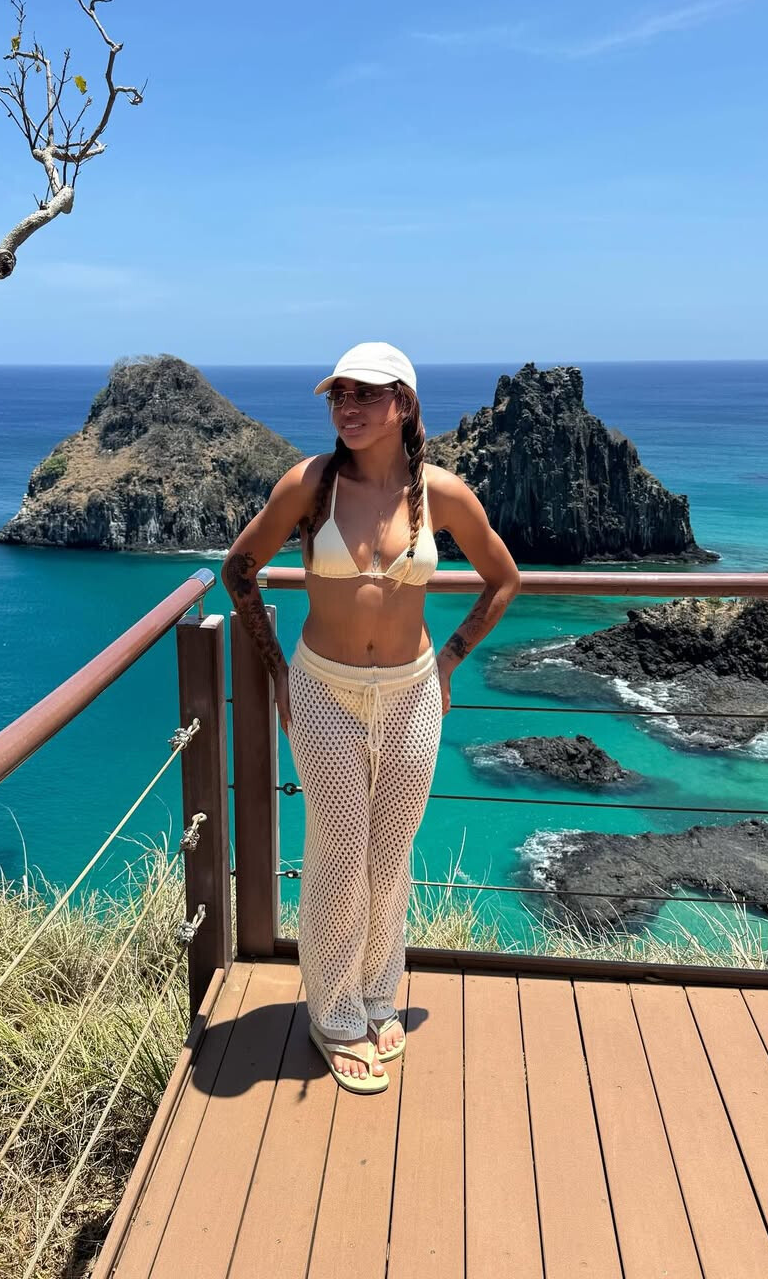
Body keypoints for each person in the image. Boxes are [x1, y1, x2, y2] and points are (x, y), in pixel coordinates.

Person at [221, 341, 521, 1094]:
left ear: (404, 404)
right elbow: (239, 569)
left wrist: (450, 660)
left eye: (365, 394)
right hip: (324, 691)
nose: (347, 408)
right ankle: (332, 1013)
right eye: (338, 395)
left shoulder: (441, 493)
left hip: (414, 693)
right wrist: (279, 672)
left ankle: (379, 993)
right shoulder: (309, 485)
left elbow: (503, 578)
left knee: (390, 854)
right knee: (338, 852)